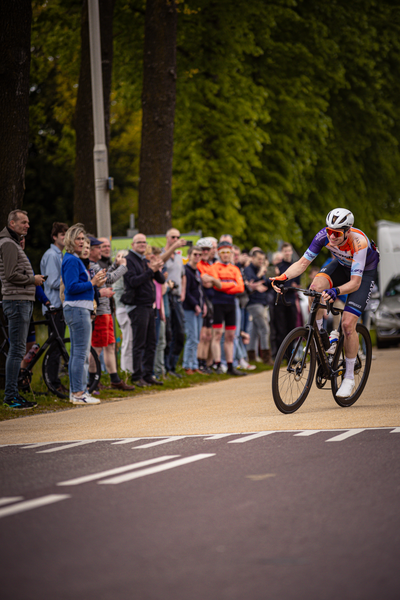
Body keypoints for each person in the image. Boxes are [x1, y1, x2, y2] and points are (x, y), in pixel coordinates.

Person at [271, 208, 379, 398]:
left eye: (336, 233)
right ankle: (321, 336)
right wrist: (284, 277)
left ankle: (348, 377)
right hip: (340, 265)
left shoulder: (358, 242)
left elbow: (355, 283)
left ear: (348, 230)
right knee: (314, 288)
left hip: (362, 274)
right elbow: (303, 263)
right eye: (329, 231)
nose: (331, 237)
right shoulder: (324, 235)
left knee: (347, 324)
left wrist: (336, 291)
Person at [0, 210, 44, 409]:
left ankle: (13, 393)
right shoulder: (8, 244)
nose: (28, 226)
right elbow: (10, 275)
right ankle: (11, 396)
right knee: (17, 350)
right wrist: (32, 280)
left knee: (17, 349)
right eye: (24, 222)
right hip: (16, 301)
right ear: (12, 223)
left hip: (21, 300)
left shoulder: (13, 244)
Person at [61, 224, 105, 405]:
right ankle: (79, 393)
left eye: (82, 239)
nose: (81, 242)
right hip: (77, 308)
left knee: (79, 353)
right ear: (70, 240)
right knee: (80, 353)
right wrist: (93, 282)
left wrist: (94, 284)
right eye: (78, 239)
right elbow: (71, 287)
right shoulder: (71, 260)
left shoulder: (75, 259)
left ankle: (78, 392)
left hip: (81, 308)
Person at [88, 236, 134, 391]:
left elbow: (107, 278)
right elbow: (111, 278)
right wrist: (123, 266)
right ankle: (92, 381)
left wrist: (115, 263)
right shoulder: (91, 265)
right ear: (91, 249)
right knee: (98, 347)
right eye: (99, 247)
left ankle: (114, 378)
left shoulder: (94, 264)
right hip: (100, 311)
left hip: (106, 310)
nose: (102, 250)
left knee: (110, 345)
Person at [124, 233, 165, 387]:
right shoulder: (129, 260)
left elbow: (161, 280)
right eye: (139, 242)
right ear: (132, 244)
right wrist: (150, 270)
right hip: (137, 306)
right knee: (139, 343)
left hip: (149, 306)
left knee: (151, 342)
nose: (142, 244)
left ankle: (148, 374)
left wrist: (155, 268)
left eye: (144, 242)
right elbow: (133, 282)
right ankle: (137, 375)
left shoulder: (144, 260)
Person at [210, 241, 247, 376]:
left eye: (228, 252)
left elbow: (241, 287)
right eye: (223, 252)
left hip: (231, 304)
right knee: (217, 334)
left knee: (230, 335)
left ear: (231, 253)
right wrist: (231, 284)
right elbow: (216, 286)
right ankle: (218, 364)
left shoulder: (235, 269)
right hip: (218, 303)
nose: (226, 255)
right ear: (219, 253)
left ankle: (231, 365)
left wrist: (224, 284)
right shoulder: (214, 267)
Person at [40, 221, 69, 393]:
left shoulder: (60, 254)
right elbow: (51, 281)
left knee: (58, 346)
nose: (65, 237)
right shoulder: (52, 255)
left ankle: (54, 381)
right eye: (62, 234)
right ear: (55, 237)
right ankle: (53, 383)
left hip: (59, 306)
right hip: (54, 307)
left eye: (67, 234)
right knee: (55, 347)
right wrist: (70, 283)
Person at [196, 237, 222, 373]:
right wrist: (213, 281)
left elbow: (218, 283)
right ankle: (199, 362)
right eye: (203, 249)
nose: (205, 252)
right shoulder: (199, 264)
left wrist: (212, 280)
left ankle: (206, 363)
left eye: (207, 249)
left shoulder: (211, 265)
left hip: (212, 300)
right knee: (203, 334)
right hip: (203, 299)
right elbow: (206, 282)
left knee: (209, 335)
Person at [163, 228, 187, 377]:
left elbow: (183, 275)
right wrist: (173, 247)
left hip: (177, 297)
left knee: (180, 332)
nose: (176, 239)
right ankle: (165, 367)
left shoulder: (178, 257)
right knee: (167, 333)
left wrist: (183, 291)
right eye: (173, 237)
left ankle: (172, 366)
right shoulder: (162, 253)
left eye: (178, 237)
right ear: (167, 238)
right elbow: (161, 261)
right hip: (165, 296)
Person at [244, 250, 274, 365]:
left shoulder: (261, 269)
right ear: (253, 258)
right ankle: (267, 358)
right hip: (253, 303)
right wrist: (260, 274)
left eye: (262, 259)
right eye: (259, 259)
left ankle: (251, 356)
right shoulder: (248, 269)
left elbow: (266, 284)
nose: (261, 261)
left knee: (255, 331)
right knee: (265, 329)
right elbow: (252, 283)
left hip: (262, 302)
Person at [182, 246, 207, 374]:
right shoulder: (186, 270)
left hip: (198, 308)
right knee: (191, 337)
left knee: (197, 338)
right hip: (189, 308)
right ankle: (187, 365)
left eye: (199, 255)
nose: (197, 257)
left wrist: (204, 305)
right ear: (189, 255)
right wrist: (195, 305)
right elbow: (186, 292)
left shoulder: (197, 270)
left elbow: (200, 291)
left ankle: (194, 364)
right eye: (195, 254)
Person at [274, 242, 301, 354]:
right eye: (285, 251)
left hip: (291, 300)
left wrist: (289, 285)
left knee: (292, 327)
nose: (287, 253)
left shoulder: (296, 267)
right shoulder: (278, 267)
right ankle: (282, 354)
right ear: (282, 252)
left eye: (289, 250)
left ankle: (290, 354)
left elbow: (297, 285)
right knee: (281, 328)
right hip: (280, 300)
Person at [112, 250, 133, 373]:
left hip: (127, 308)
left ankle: (130, 369)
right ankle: (126, 370)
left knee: (131, 340)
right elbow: (118, 292)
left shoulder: (126, 271)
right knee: (127, 340)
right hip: (123, 308)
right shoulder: (120, 272)